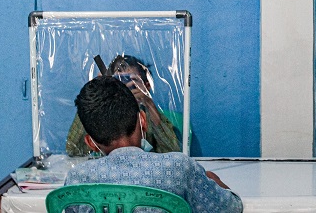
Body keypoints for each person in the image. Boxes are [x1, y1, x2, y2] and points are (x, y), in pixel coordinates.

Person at [64, 76, 243, 212]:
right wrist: (213, 182)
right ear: (143, 121)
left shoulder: (77, 179)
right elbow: (231, 209)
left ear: (90, 143)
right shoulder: (179, 167)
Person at [66, 55, 181, 156]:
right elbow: (73, 150)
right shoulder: (101, 116)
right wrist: (95, 97)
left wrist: (148, 103)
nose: (124, 87)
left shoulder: (149, 116)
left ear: (147, 86)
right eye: (118, 81)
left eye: (129, 80)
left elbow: (173, 152)